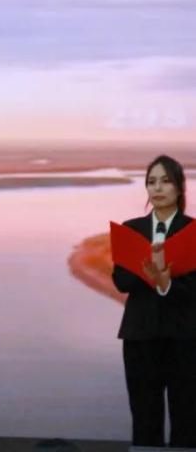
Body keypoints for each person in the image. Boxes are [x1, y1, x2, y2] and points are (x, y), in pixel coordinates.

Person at [112, 154, 196, 448]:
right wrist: (149, 271)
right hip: (140, 337)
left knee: (187, 418)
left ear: (179, 187)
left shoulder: (193, 231)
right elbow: (121, 281)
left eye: (165, 181)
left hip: (185, 339)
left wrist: (166, 283)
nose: (157, 188)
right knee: (145, 418)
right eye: (151, 182)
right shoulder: (131, 228)